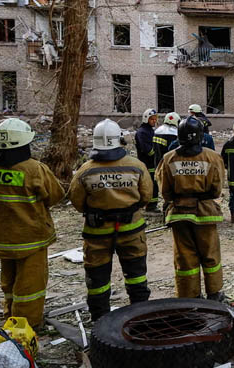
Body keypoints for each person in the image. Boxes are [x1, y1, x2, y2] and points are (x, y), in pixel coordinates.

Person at [0, 118, 65, 327]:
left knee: (9, 278)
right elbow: (55, 195)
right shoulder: (33, 169)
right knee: (30, 284)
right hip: (29, 237)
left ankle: (10, 313)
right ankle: (25, 325)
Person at [69, 119, 153, 320]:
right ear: (120, 140)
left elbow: (77, 201)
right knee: (136, 276)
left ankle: (100, 320)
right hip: (131, 232)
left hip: (97, 234)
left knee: (98, 280)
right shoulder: (136, 166)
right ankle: (140, 316)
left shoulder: (85, 170)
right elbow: (146, 196)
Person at [157, 116, 225, 300]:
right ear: (200, 137)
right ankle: (214, 293)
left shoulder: (168, 158)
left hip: (179, 215)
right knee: (210, 255)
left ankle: (189, 295)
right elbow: (217, 189)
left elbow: (165, 190)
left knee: (185, 258)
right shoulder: (212, 157)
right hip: (205, 214)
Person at [134, 108, 163, 212]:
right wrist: (156, 155)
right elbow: (147, 149)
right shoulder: (142, 132)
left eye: (155, 119)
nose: (154, 121)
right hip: (146, 163)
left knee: (153, 184)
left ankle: (152, 205)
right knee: (149, 185)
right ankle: (150, 206)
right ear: (146, 119)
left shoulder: (150, 131)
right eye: (152, 119)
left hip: (152, 163)